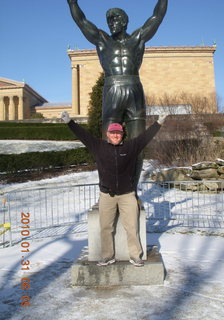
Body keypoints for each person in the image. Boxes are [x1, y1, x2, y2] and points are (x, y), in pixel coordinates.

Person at [67, 0, 168, 189]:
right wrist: (72, 2)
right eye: (109, 20)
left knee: (138, 145)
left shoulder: (138, 38)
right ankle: (107, 188)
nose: (111, 23)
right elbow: (81, 21)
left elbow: (157, 17)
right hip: (112, 88)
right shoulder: (102, 39)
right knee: (107, 147)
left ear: (124, 21)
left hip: (134, 89)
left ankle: (132, 190)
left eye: (115, 19)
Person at [61, 111, 166, 267]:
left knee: (132, 227)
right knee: (105, 227)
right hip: (107, 195)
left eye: (118, 133)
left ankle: (135, 256)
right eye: (113, 133)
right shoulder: (99, 147)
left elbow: (145, 137)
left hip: (127, 195)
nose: (116, 135)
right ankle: (107, 256)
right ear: (107, 134)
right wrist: (70, 122)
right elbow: (83, 135)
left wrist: (159, 123)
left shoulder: (131, 147)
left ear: (122, 134)